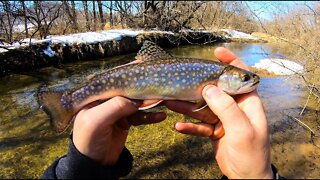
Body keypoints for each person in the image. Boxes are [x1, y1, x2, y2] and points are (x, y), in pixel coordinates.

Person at [42, 47, 283, 179]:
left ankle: (68, 102)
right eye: (245, 79)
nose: (252, 81)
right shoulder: (212, 75)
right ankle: (66, 103)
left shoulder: (212, 71)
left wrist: (79, 171)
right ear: (222, 79)